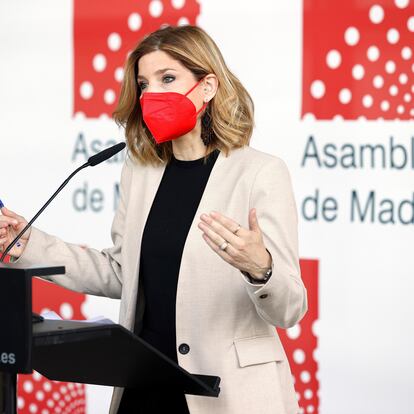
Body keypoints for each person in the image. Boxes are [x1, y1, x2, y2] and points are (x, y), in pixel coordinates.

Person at [0, 25, 308, 414]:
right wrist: (27, 243)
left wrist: (260, 268)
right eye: (144, 84)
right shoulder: (141, 172)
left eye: (168, 79)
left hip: (227, 393)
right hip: (146, 387)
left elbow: (289, 309)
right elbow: (120, 273)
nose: (152, 94)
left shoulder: (260, 172)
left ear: (208, 86)